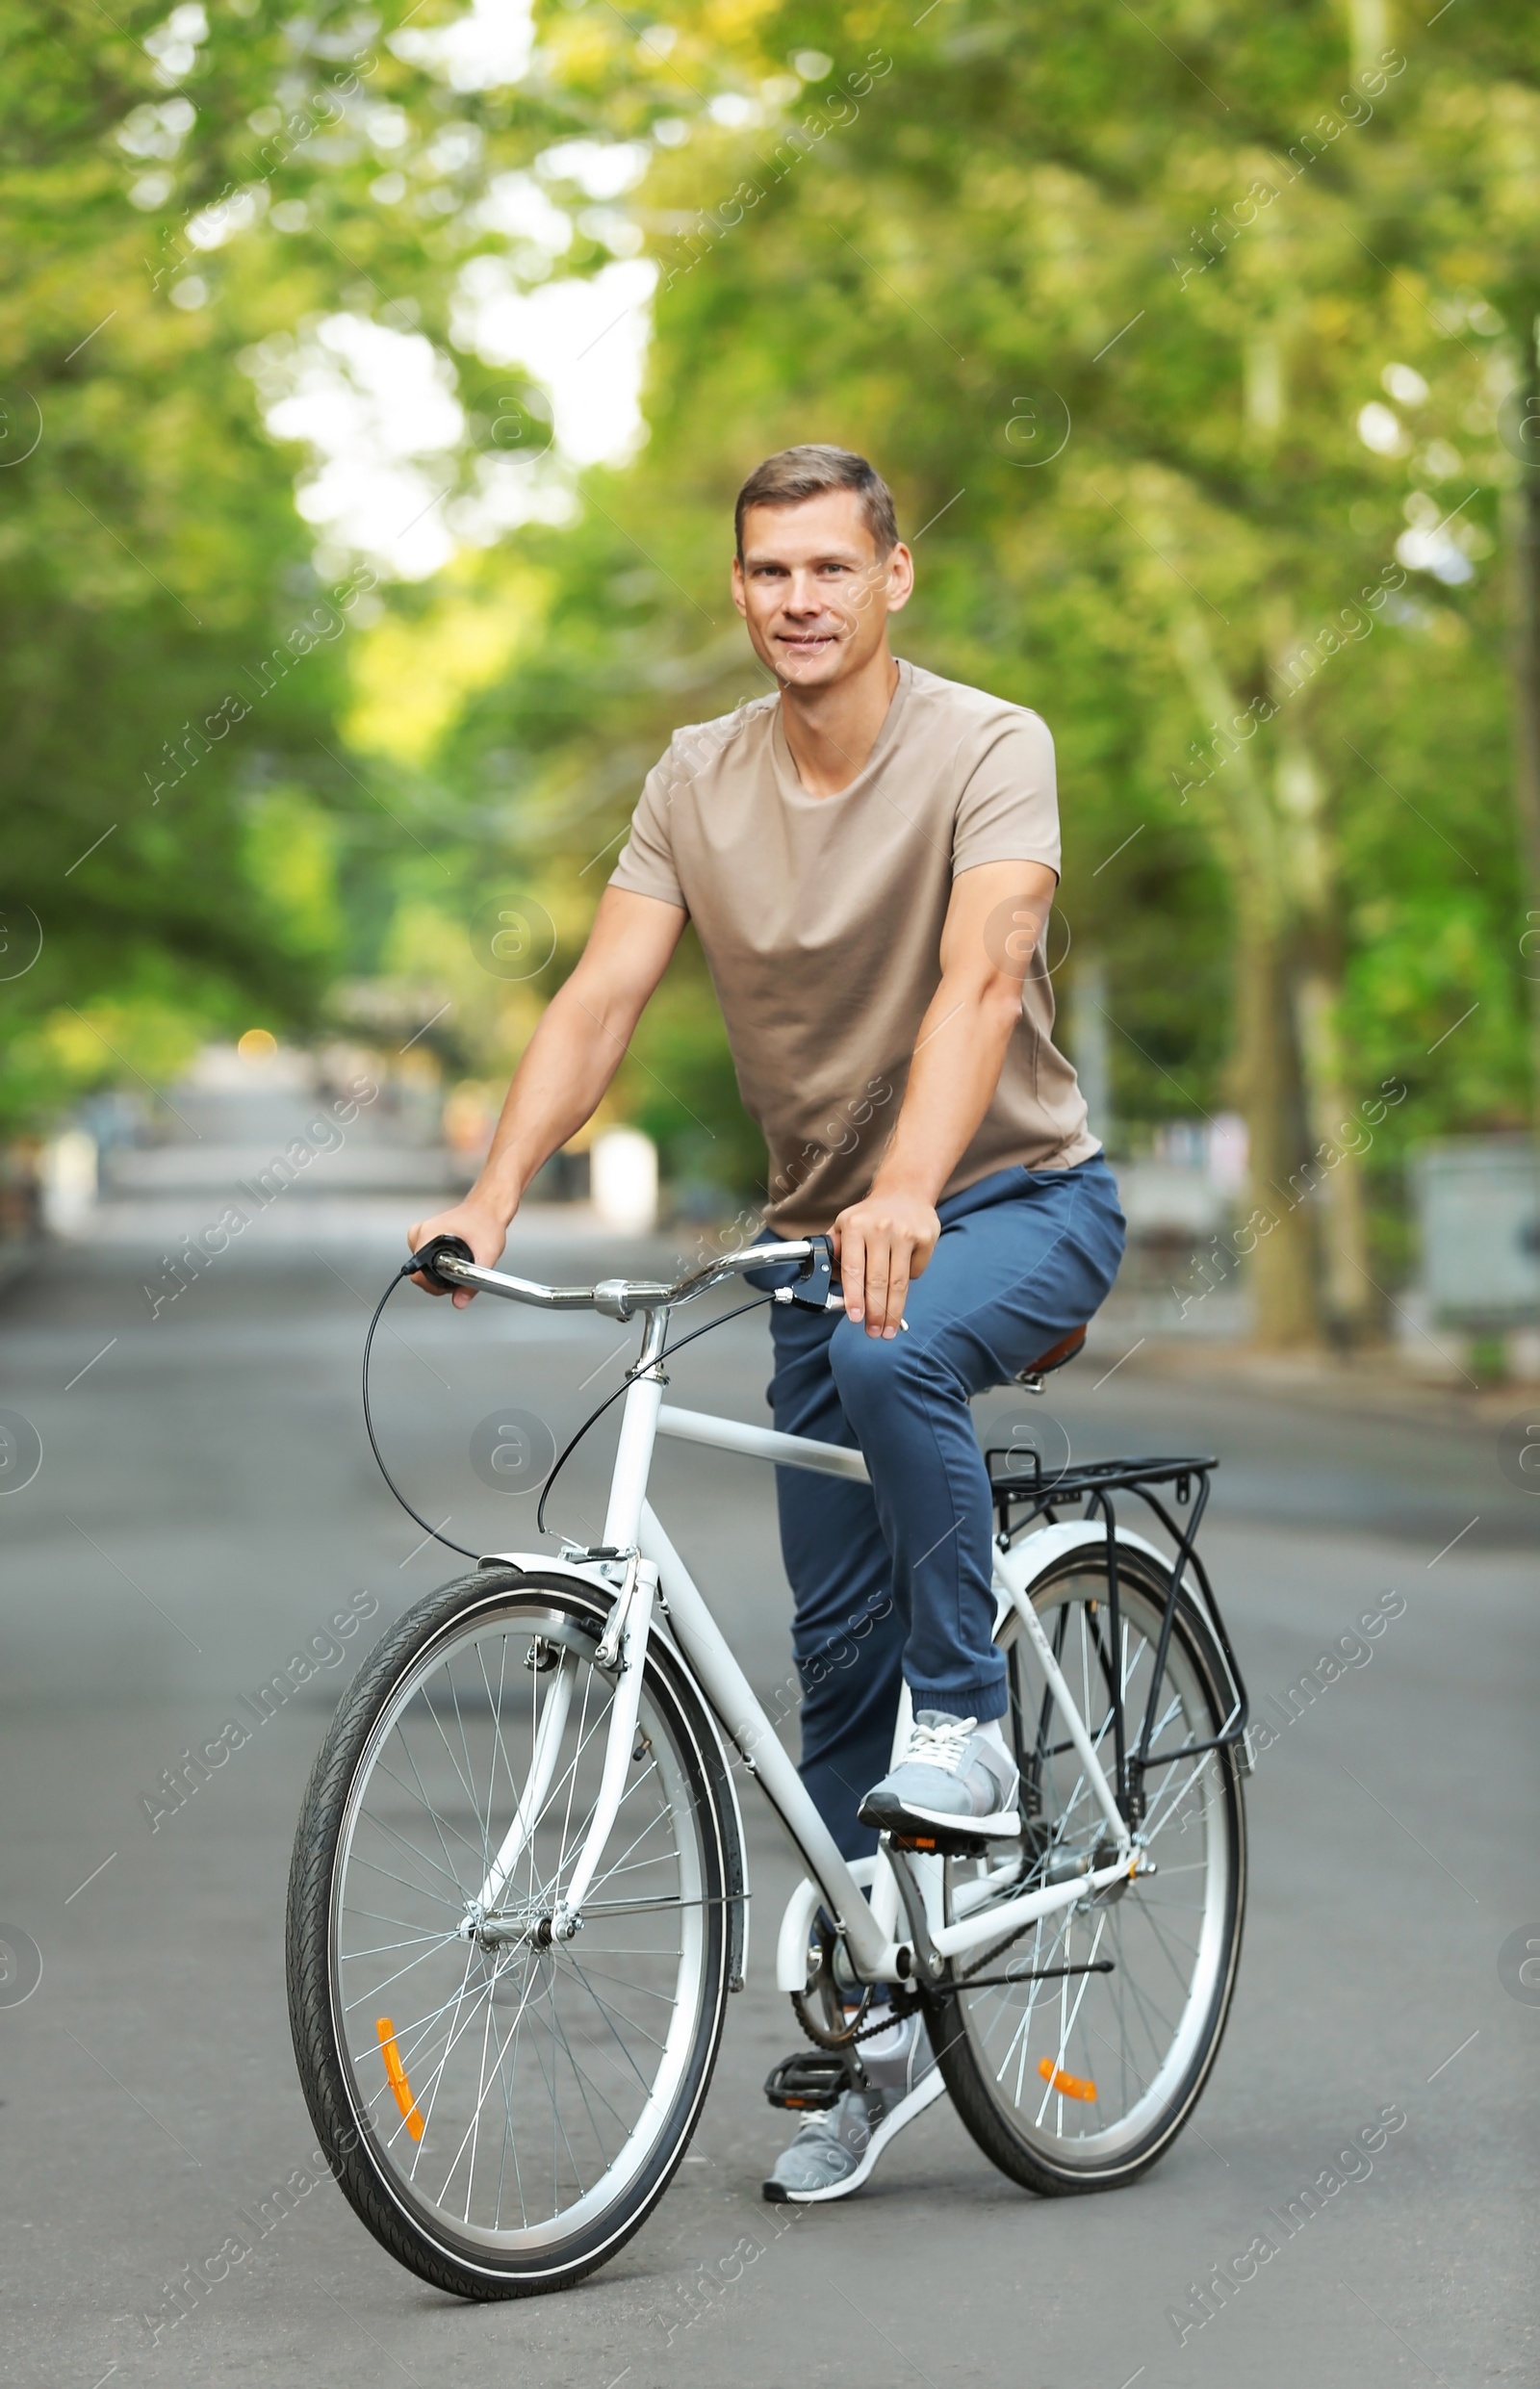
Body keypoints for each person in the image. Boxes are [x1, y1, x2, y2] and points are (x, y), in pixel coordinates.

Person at [408, 443, 1126, 2203]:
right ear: (740, 592)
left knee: (896, 1353)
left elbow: (983, 970)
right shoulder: (694, 778)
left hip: (1018, 1202)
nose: (795, 600)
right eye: (764, 573)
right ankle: (885, 2029)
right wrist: (491, 1192)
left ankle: (968, 1720)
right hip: (821, 1238)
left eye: (827, 567)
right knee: (827, 1649)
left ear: (894, 577)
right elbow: (602, 996)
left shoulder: (990, 746)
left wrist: (909, 1182)